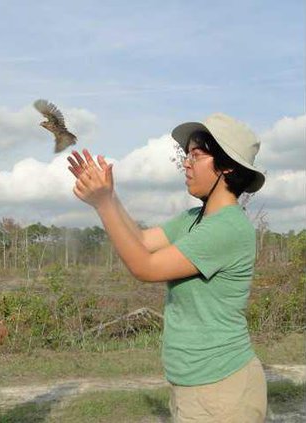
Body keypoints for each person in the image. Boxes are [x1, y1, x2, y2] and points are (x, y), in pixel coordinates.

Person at [67, 112, 267, 422]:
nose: (185, 163)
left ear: (227, 166)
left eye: (197, 155)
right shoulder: (194, 220)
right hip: (195, 385)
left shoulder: (227, 228)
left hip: (221, 389)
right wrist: (107, 198)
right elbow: (143, 241)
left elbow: (144, 267)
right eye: (185, 155)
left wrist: (104, 203)